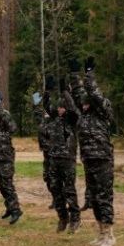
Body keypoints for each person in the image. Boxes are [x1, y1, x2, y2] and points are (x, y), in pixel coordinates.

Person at [70, 57, 116, 246]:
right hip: (88, 160)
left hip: (103, 160)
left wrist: (89, 75)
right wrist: (74, 76)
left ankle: (110, 235)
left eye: (88, 103)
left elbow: (93, 93)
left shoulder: (104, 112)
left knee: (104, 196)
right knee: (94, 198)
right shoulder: (84, 116)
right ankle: (101, 232)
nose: (85, 105)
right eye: (84, 104)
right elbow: (78, 94)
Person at [41, 75, 81, 233]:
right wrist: (47, 92)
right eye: (59, 107)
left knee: (69, 190)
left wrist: (65, 91)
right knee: (55, 189)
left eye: (62, 107)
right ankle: (63, 218)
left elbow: (72, 107)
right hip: (54, 159)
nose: (60, 109)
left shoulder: (72, 118)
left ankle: (75, 219)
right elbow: (45, 105)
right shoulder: (54, 118)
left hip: (67, 160)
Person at [0, 91, 22, 224]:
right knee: (1, 184)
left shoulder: (6, 125)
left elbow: (13, 126)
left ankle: (16, 210)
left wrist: (0, 107)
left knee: (8, 184)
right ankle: (9, 207)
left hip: (6, 158)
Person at [32, 90, 55, 209]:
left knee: (54, 176)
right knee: (47, 176)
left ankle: (58, 198)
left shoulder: (55, 122)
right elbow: (36, 116)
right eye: (45, 112)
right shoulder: (42, 122)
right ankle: (56, 197)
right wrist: (35, 105)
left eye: (48, 111)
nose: (46, 113)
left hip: (54, 153)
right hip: (46, 153)